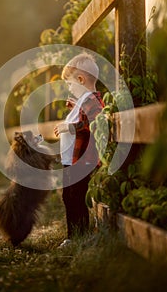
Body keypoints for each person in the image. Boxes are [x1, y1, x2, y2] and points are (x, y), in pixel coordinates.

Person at [54, 53, 104, 247]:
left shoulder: (92, 100)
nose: (69, 88)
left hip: (82, 161)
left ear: (81, 80)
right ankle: (73, 235)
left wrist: (70, 127)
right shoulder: (81, 102)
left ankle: (78, 236)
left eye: (70, 84)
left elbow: (95, 121)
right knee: (68, 196)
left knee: (76, 196)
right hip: (71, 161)